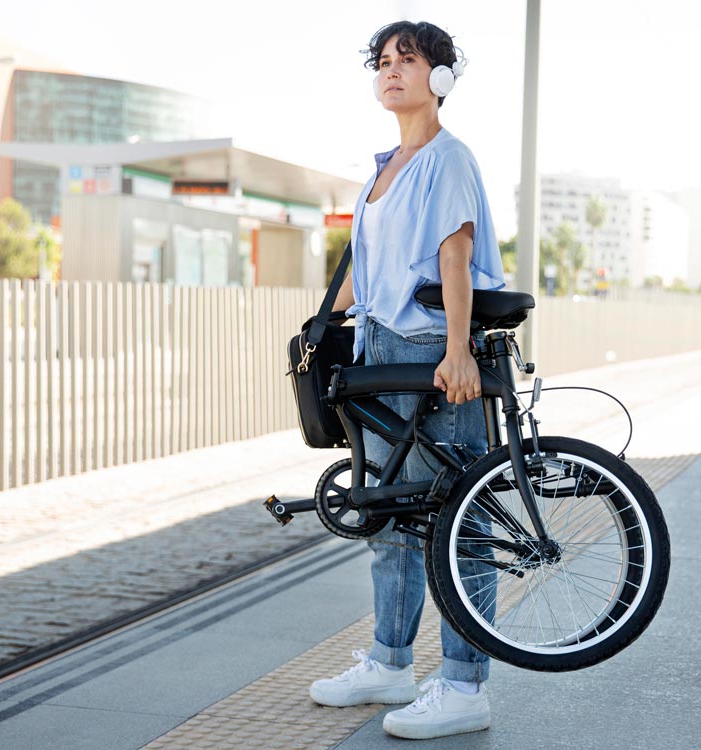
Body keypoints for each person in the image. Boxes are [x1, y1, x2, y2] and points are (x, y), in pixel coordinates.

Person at [308, 20, 505, 740]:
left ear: (441, 77)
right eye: (383, 62)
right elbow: (364, 272)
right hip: (378, 349)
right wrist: (321, 327)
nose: (391, 71)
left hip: (429, 347)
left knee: (460, 520)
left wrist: (459, 351)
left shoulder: (449, 158)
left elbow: (455, 254)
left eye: (407, 60)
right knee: (390, 510)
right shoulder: (383, 167)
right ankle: (391, 663)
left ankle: (463, 686)